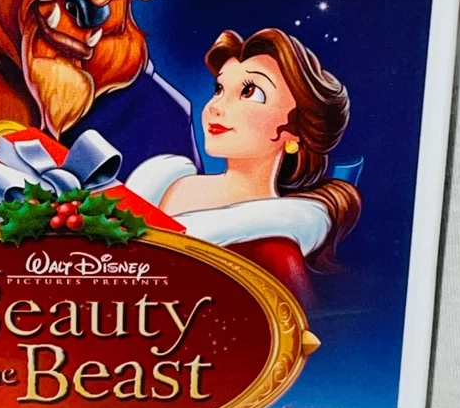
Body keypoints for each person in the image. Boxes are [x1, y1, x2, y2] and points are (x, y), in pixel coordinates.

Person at [126, 28, 361, 307]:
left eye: (250, 92)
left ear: (295, 130)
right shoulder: (164, 185)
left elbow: (297, 328)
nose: (215, 106)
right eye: (219, 89)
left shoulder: (275, 247)